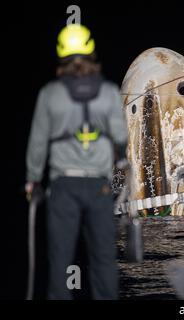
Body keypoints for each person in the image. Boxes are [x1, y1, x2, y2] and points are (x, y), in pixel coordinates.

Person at [25, 24, 128, 299]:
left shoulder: (49, 94)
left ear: (61, 55)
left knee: (60, 262)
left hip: (63, 188)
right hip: (99, 188)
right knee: (104, 260)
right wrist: (120, 160)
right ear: (91, 51)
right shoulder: (108, 91)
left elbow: (37, 143)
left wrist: (33, 180)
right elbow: (120, 135)